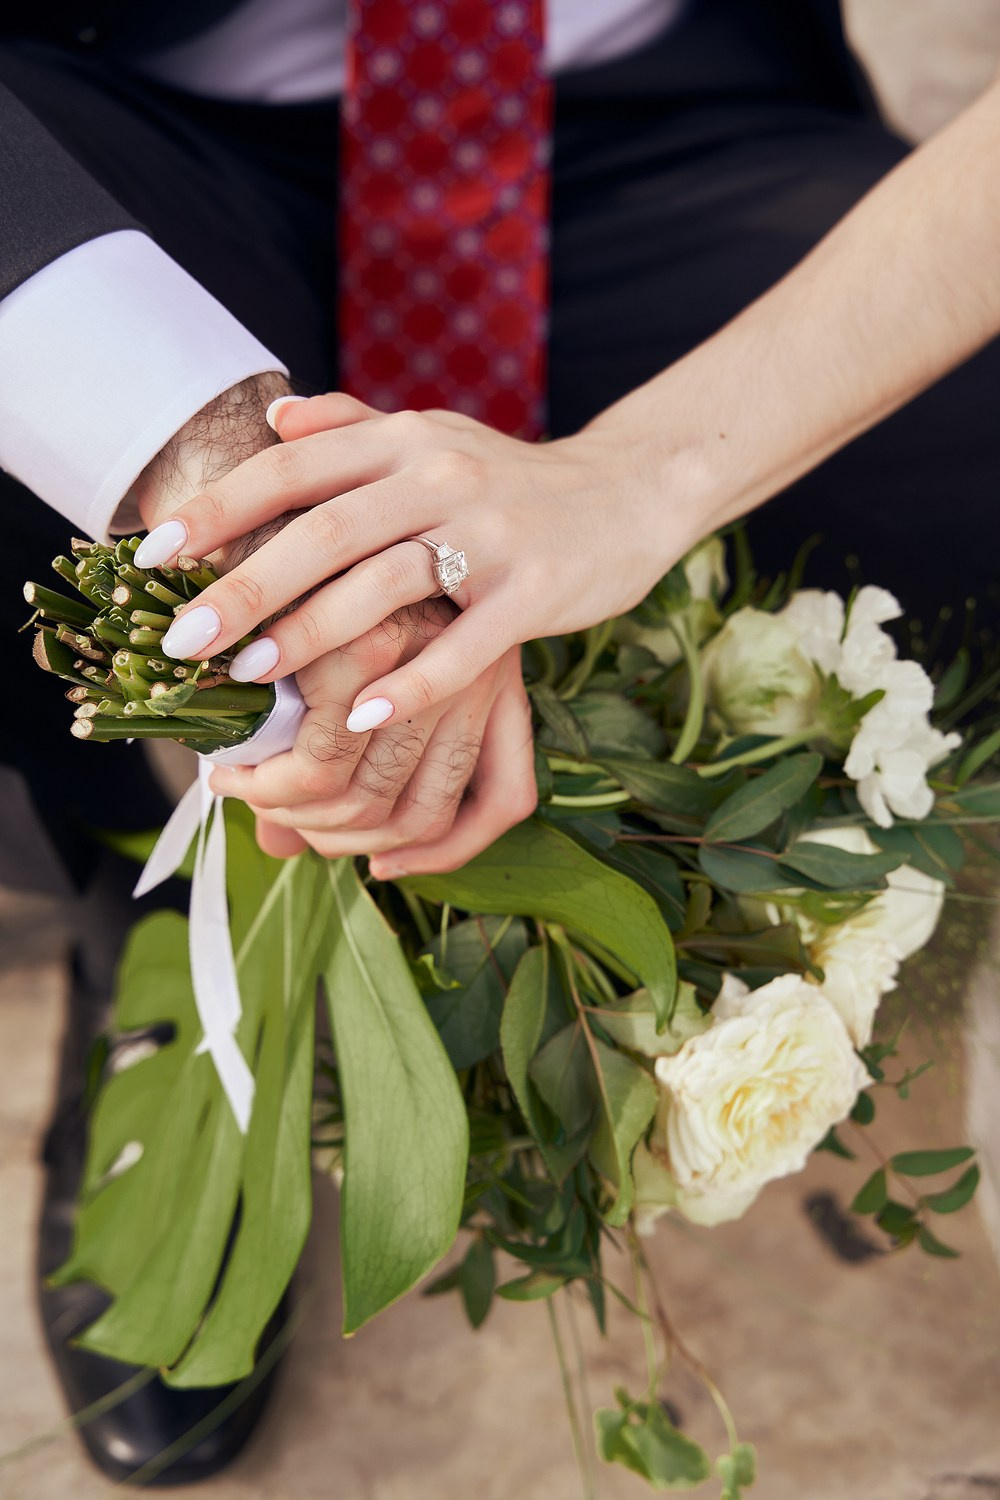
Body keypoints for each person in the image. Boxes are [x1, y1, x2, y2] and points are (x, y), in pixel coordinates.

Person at [1, 0, 998, 1484]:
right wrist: (228, 489)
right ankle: (139, 926)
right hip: (122, 113)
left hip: (641, 106)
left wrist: (643, 474)